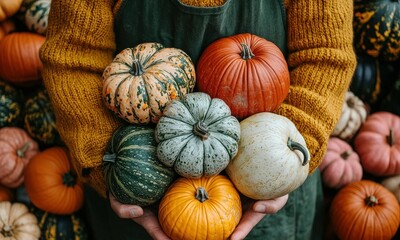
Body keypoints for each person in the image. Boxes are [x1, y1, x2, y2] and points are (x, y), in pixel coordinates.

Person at [39, 0, 356, 239]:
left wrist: (281, 157)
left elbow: (325, 54)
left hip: (267, 194)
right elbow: (74, 57)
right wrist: (112, 167)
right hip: (143, 189)